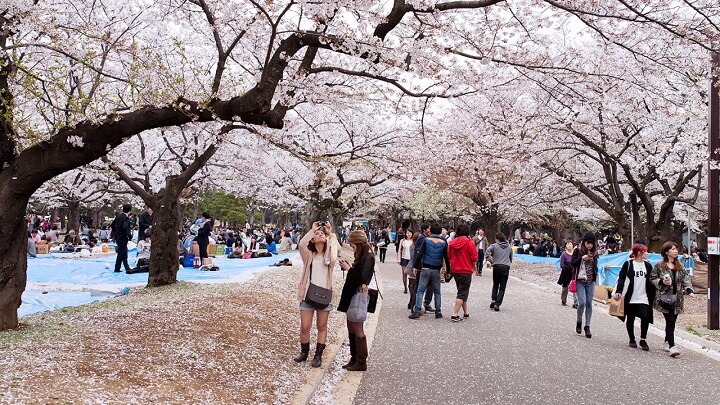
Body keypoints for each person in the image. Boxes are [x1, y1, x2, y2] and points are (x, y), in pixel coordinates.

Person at [294, 222, 338, 368]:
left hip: (324, 294)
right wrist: (311, 231)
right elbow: (301, 245)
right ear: (313, 239)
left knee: (322, 326)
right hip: (308, 294)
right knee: (305, 326)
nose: (320, 235)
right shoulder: (309, 256)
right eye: (317, 234)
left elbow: (335, 250)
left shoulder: (329, 256)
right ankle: (304, 352)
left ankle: (318, 355)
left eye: (322, 234)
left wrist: (331, 234)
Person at [337, 230, 375, 371]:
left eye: (353, 246)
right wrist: (350, 267)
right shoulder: (363, 256)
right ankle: (354, 357)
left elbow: (363, 279)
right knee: (351, 326)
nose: (352, 248)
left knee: (357, 328)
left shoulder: (368, 257)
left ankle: (361, 361)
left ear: (359, 244)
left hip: (359, 295)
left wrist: (349, 269)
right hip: (352, 294)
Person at [650, 241, 695, 357]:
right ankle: (672, 346)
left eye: (676, 249)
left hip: (678, 298)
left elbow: (686, 278)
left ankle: (666, 340)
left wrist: (689, 290)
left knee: (672, 322)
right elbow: (652, 278)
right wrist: (661, 281)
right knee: (669, 320)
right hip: (664, 298)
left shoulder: (680, 266)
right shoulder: (659, 266)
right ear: (666, 252)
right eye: (673, 249)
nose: (676, 251)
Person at [614, 243, 655, 351]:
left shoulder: (648, 266)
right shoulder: (628, 264)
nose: (647, 253)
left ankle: (643, 339)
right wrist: (619, 291)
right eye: (645, 251)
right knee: (630, 318)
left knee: (645, 316)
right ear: (639, 253)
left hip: (644, 296)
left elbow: (651, 280)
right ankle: (632, 338)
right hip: (630, 296)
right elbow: (622, 278)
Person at [409, 224, 451, 319]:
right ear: (440, 232)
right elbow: (446, 258)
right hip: (436, 269)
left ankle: (417, 311)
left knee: (420, 290)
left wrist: (415, 266)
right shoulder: (444, 242)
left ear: (431, 231)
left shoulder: (426, 240)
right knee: (437, 292)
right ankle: (438, 312)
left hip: (425, 268)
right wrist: (448, 271)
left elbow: (420, 254)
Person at [448, 224, 478, 322]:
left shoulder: (452, 243)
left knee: (462, 291)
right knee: (462, 292)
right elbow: (474, 257)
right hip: (466, 270)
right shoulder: (469, 243)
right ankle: (455, 314)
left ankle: (466, 312)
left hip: (456, 270)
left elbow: (449, 256)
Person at [572, 232, 598, 338]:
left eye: (592, 243)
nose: (590, 245)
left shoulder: (595, 253)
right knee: (582, 302)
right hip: (580, 281)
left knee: (589, 303)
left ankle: (587, 326)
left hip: (590, 281)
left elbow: (595, 267)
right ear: (584, 242)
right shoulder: (578, 251)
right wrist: (582, 258)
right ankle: (579, 322)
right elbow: (572, 264)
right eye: (588, 243)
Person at [485, 232, 513, 312]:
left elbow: (487, 250)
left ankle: (493, 299)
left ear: (497, 239)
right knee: (502, 287)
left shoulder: (495, 246)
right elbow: (510, 258)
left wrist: (489, 259)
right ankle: (497, 304)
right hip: (505, 267)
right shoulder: (509, 247)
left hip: (496, 266)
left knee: (495, 285)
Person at [111, 204, 132, 273]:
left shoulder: (118, 216)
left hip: (118, 236)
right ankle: (118, 268)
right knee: (121, 253)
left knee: (123, 252)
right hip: (123, 237)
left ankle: (126, 267)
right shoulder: (125, 218)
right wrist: (129, 235)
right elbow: (125, 227)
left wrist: (116, 231)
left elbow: (112, 225)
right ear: (129, 210)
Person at [557, 240, 577, 307]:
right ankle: (563, 300)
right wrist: (568, 267)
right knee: (565, 288)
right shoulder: (564, 254)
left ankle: (576, 303)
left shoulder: (575, 254)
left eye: (570, 244)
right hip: (566, 273)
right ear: (565, 245)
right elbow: (562, 265)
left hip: (574, 273)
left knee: (574, 287)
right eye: (568, 244)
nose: (569, 245)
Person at [397, 229, 413, 294]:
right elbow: (399, 250)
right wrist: (399, 259)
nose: (408, 234)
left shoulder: (414, 241)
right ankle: (405, 287)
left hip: (411, 259)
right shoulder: (402, 241)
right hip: (404, 258)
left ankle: (410, 285)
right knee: (404, 274)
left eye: (410, 233)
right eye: (407, 233)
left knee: (411, 274)